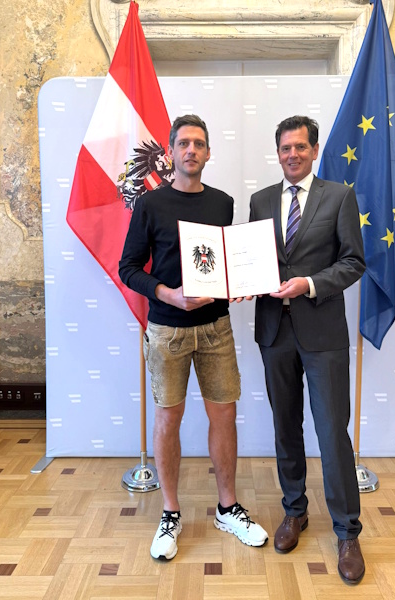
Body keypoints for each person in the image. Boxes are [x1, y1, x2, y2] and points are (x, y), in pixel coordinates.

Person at [119, 114, 268, 561]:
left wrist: (243, 283)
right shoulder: (149, 204)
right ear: (170, 152)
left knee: (224, 415)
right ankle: (170, 512)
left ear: (208, 152)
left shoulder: (223, 203)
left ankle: (227, 508)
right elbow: (128, 268)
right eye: (183, 143)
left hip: (217, 328)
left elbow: (227, 262)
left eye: (199, 143)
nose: (191, 150)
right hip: (167, 331)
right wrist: (167, 293)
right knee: (168, 419)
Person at [247, 115, 366, 584]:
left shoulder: (339, 196)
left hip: (323, 335)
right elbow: (252, 261)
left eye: (300, 147)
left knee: (332, 433)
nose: (292, 154)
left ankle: (347, 532)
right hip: (274, 332)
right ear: (277, 152)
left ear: (314, 151)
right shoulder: (260, 201)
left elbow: (353, 261)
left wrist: (310, 284)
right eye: (285, 148)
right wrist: (239, 282)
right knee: (285, 427)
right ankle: (294, 510)